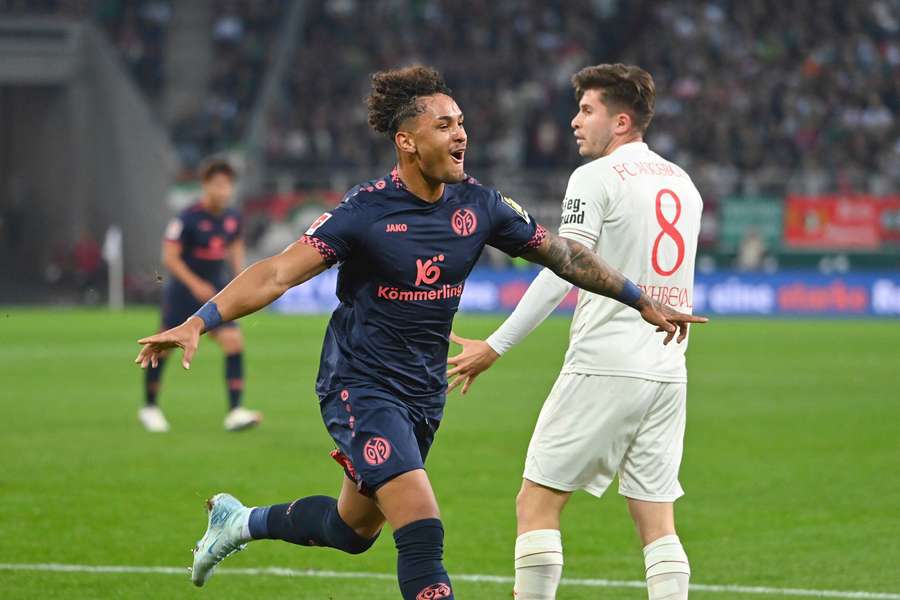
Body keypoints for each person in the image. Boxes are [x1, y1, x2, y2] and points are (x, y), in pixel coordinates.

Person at [134, 66, 705, 599]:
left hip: (422, 392)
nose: (461, 135)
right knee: (423, 529)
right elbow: (278, 271)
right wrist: (199, 320)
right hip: (359, 386)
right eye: (444, 125)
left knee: (352, 529)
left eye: (461, 123)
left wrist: (640, 298)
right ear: (407, 141)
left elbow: (565, 257)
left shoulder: (479, 205)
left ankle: (239, 522)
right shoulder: (366, 211)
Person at [447, 64, 703, 600]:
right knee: (657, 521)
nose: (574, 121)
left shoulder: (595, 177)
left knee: (536, 503)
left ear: (622, 121)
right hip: (667, 369)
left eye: (587, 110)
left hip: (604, 363)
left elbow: (563, 267)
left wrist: (496, 344)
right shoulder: (683, 182)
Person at [138, 158, 262, 433]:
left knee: (233, 342)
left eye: (228, 185)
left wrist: (243, 281)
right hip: (183, 293)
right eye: (218, 185)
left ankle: (235, 411)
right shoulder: (187, 219)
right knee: (165, 347)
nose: (224, 191)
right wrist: (194, 284)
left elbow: (236, 252)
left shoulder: (232, 219)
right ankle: (149, 407)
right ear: (205, 186)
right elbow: (170, 259)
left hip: (215, 292)